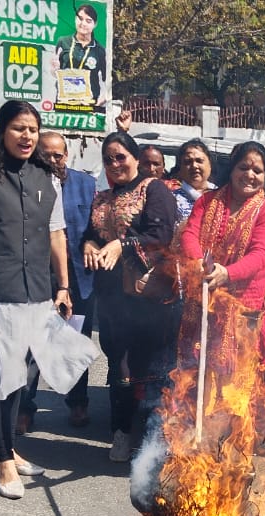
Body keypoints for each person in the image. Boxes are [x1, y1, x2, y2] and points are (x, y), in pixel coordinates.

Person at [0, 101, 88, 499]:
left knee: (20, 381)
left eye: (32, 129)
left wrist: (62, 286)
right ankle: (3, 461)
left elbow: (56, 234)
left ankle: (9, 447)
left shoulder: (47, 178)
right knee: (0, 380)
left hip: (34, 294)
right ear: (0, 132)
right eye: (17, 128)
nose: (27, 136)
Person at [82, 131, 177, 462]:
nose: (114, 163)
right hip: (110, 300)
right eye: (108, 158)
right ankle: (120, 433)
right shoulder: (102, 198)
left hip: (147, 301)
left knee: (152, 374)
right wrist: (91, 248)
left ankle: (154, 445)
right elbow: (89, 237)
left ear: (135, 158)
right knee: (118, 372)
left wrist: (120, 245)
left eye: (120, 156)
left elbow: (161, 235)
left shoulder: (154, 190)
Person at [179, 141, 265, 383]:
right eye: (243, 168)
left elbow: (261, 255)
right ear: (231, 169)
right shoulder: (206, 202)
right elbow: (189, 234)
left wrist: (226, 274)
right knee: (201, 376)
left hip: (245, 309)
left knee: (240, 383)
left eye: (257, 171)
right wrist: (198, 262)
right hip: (204, 299)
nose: (249, 175)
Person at [19, 132, 98, 432]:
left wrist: (92, 242)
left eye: (58, 155)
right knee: (32, 345)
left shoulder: (87, 185)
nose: (53, 160)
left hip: (80, 280)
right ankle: (24, 408)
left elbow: (97, 226)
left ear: (67, 155)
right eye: (46, 155)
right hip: (39, 278)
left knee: (75, 343)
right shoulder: (27, 184)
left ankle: (78, 403)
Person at [54, 3, 106, 110]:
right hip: (64, 103)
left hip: (89, 106)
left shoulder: (100, 50)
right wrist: (53, 68)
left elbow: (106, 81)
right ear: (75, 19)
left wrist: (102, 99)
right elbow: (53, 70)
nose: (83, 23)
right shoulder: (63, 41)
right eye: (80, 18)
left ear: (95, 24)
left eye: (88, 21)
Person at [169, 139, 214, 223]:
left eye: (199, 161)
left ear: (210, 165)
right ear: (180, 168)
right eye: (188, 162)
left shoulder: (222, 195)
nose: (194, 166)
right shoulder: (171, 200)